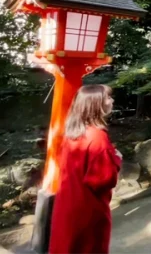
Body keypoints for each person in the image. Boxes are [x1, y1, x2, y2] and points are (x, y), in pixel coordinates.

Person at [49, 84, 121, 254]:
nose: (112, 101)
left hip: (67, 203)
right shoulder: (97, 137)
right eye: (108, 98)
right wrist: (116, 159)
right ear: (96, 104)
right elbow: (102, 179)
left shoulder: (72, 132)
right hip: (88, 208)